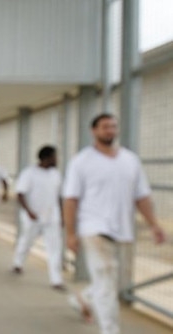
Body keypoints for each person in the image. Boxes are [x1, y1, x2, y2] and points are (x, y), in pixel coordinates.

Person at [63, 113, 166, 334]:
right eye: (104, 127)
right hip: (93, 229)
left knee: (112, 281)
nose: (110, 131)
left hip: (122, 230)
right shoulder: (81, 161)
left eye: (113, 126)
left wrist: (154, 224)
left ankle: (83, 298)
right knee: (106, 280)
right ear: (94, 131)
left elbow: (142, 197)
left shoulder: (130, 160)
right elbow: (70, 199)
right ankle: (110, 330)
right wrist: (70, 233)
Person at [11, 145, 65, 290]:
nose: (57, 159)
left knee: (55, 248)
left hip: (52, 217)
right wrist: (28, 211)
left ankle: (56, 279)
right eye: (55, 156)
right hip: (32, 217)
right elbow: (20, 194)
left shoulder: (56, 174)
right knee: (26, 241)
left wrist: (62, 216)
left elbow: (59, 196)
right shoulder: (29, 173)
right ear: (47, 158)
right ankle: (18, 263)